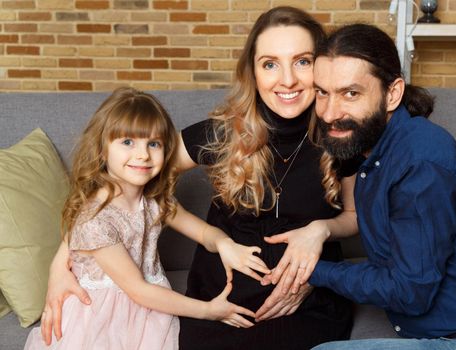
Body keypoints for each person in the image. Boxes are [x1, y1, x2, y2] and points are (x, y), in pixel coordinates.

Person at [41, 7, 356, 350]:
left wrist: (320, 230)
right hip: (222, 295)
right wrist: (62, 263)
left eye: (302, 61)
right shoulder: (222, 133)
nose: (288, 80)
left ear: (323, 67)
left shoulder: (342, 136)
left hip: (305, 297)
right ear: (252, 71)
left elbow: (354, 218)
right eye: (270, 64)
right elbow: (121, 181)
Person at [307, 24, 456, 349]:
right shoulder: (376, 151)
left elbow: (409, 293)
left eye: (350, 93)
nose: (328, 112)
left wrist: (312, 271)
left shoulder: (419, 162)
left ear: (392, 93)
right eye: (322, 92)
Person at [25, 87, 272, 349]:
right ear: (101, 149)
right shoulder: (96, 218)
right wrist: (209, 310)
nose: (143, 154)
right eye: (128, 142)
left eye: (153, 144)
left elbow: (202, 233)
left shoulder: (154, 201)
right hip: (102, 318)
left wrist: (224, 243)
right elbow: (138, 290)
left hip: (149, 308)